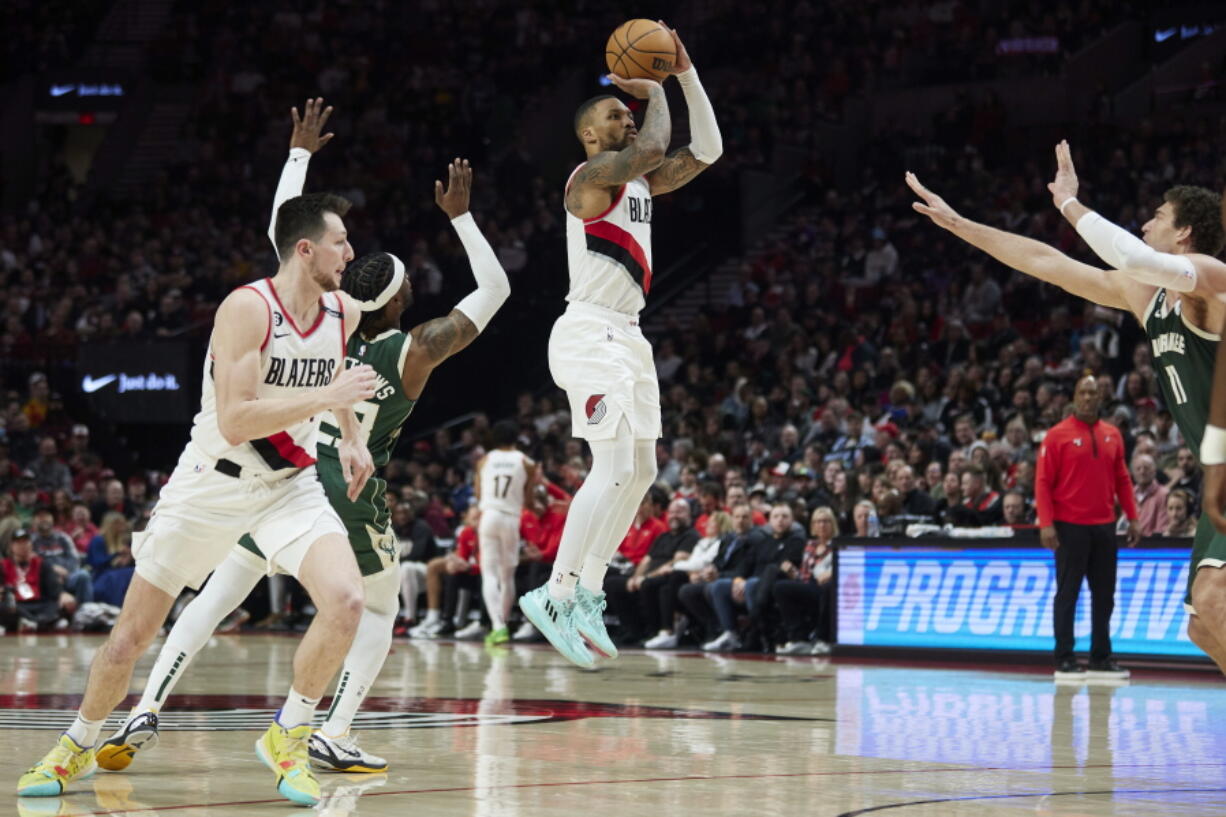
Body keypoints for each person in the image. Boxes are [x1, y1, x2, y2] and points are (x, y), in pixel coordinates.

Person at [96, 100, 509, 779]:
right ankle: (330, 730)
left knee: (216, 595)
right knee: (376, 606)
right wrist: (461, 216)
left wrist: (298, 155)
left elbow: (284, 239)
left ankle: (147, 702)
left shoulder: (317, 316)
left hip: (281, 476)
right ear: (401, 302)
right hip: (343, 494)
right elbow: (493, 289)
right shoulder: (412, 349)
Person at [17, 97, 382, 805]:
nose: (352, 253)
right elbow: (239, 417)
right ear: (306, 250)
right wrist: (329, 397)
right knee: (131, 636)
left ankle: (291, 733)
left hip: (291, 486)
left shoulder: (341, 309)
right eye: (341, 242)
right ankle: (76, 744)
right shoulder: (246, 308)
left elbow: (330, 384)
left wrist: (356, 435)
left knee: (346, 599)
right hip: (212, 480)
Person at [907, 157, 1226, 669]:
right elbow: (1046, 262)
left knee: (1212, 601)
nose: (1145, 223)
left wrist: (1069, 204)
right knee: (1201, 623)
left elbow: (1139, 258)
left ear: (1185, 231)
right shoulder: (1148, 297)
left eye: (1158, 216)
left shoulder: (1213, 281)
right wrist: (961, 225)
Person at [519, 21, 723, 668]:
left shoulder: (638, 183)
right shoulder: (591, 178)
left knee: (639, 471)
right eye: (615, 111)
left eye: (626, 109)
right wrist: (657, 88)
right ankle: (552, 591)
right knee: (609, 467)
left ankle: (587, 590)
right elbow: (657, 142)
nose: (626, 117)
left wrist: (683, 72)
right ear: (589, 134)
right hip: (588, 331)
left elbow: (709, 150)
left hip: (629, 336)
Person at [1037, 375, 1141, 681]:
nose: (1087, 397)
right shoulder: (1056, 436)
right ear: (1074, 396)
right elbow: (1042, 482)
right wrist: (1046, 523)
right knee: (1068, 593)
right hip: (1069, 526)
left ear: (1100, 398)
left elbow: (1122, 478)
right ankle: (1065, 658)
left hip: (1105, 526)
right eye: (1082, 392)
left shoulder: (1113, 434)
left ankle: (1100, 657)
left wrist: (1133, 517)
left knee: (1105, 595)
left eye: (1093, 393)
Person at [703, 503, 805, 652]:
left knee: (752, 584)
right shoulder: (762, 541)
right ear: (769, 521)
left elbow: (785, 568)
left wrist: (745, 583)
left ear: (792, 520)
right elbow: (745, 566)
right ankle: (730, 633)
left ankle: (758, 632)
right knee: (720, 586)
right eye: (776, 516)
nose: (780, 520)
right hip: (750, 581)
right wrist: (738, 581)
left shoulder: (796, 540)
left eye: (785, 517)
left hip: (772, 584)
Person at [475, 420, 537, 647]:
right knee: (506, 575)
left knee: (489, 574)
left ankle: (498, 626)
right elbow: (529, 500)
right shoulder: (527, 462)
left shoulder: (484, 460)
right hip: (511, 518)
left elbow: (478, 492)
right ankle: (503, 623)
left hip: (490, 515)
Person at [603, 498, 697, 646]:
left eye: (679, 512)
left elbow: (677, 561)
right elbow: (646, 560)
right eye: (672, 512)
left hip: (667, 576)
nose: (674, 515)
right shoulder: (663, 537)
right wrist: (634, 578)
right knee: (612, 584)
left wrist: (645, 577)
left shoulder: (691, 535)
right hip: (647, 575)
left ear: (689, 515)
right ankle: (632, 630)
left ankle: (656, 631)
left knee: (648, 584)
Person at [773, 506, 838, 655]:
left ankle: (823, 640)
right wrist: (791, 571)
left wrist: (831, 573)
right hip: (808, 584)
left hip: (825, 586)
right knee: (780, 587)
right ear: (813, 525)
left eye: (826, 521)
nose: (822, 525)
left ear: (832, 524)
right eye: (818, 521)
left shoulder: (837, 545)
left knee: (827, 588)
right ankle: (799, 638)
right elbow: (803, 574)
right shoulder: (810, 545)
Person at [2, 528, 67, 631]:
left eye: (26, 542)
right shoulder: (3, 565)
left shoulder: (42, 564)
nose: (22, 545)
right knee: (5, 608)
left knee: (55, 604)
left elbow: (54, 591)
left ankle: (31, 622)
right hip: (16, 606)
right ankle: (42, 623)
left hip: (40, 604)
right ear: (11, 546)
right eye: (18, 542)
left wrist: (61, 594)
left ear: (31, 544)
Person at [1130, 453, 1169, 536]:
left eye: (1146, 468)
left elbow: (1161, 529)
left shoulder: (1163, 494)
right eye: (1138, 469)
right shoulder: (1129, 494)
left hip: (1151, 545)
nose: (1142, 472)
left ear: (1154, 471)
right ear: (1133, 473)